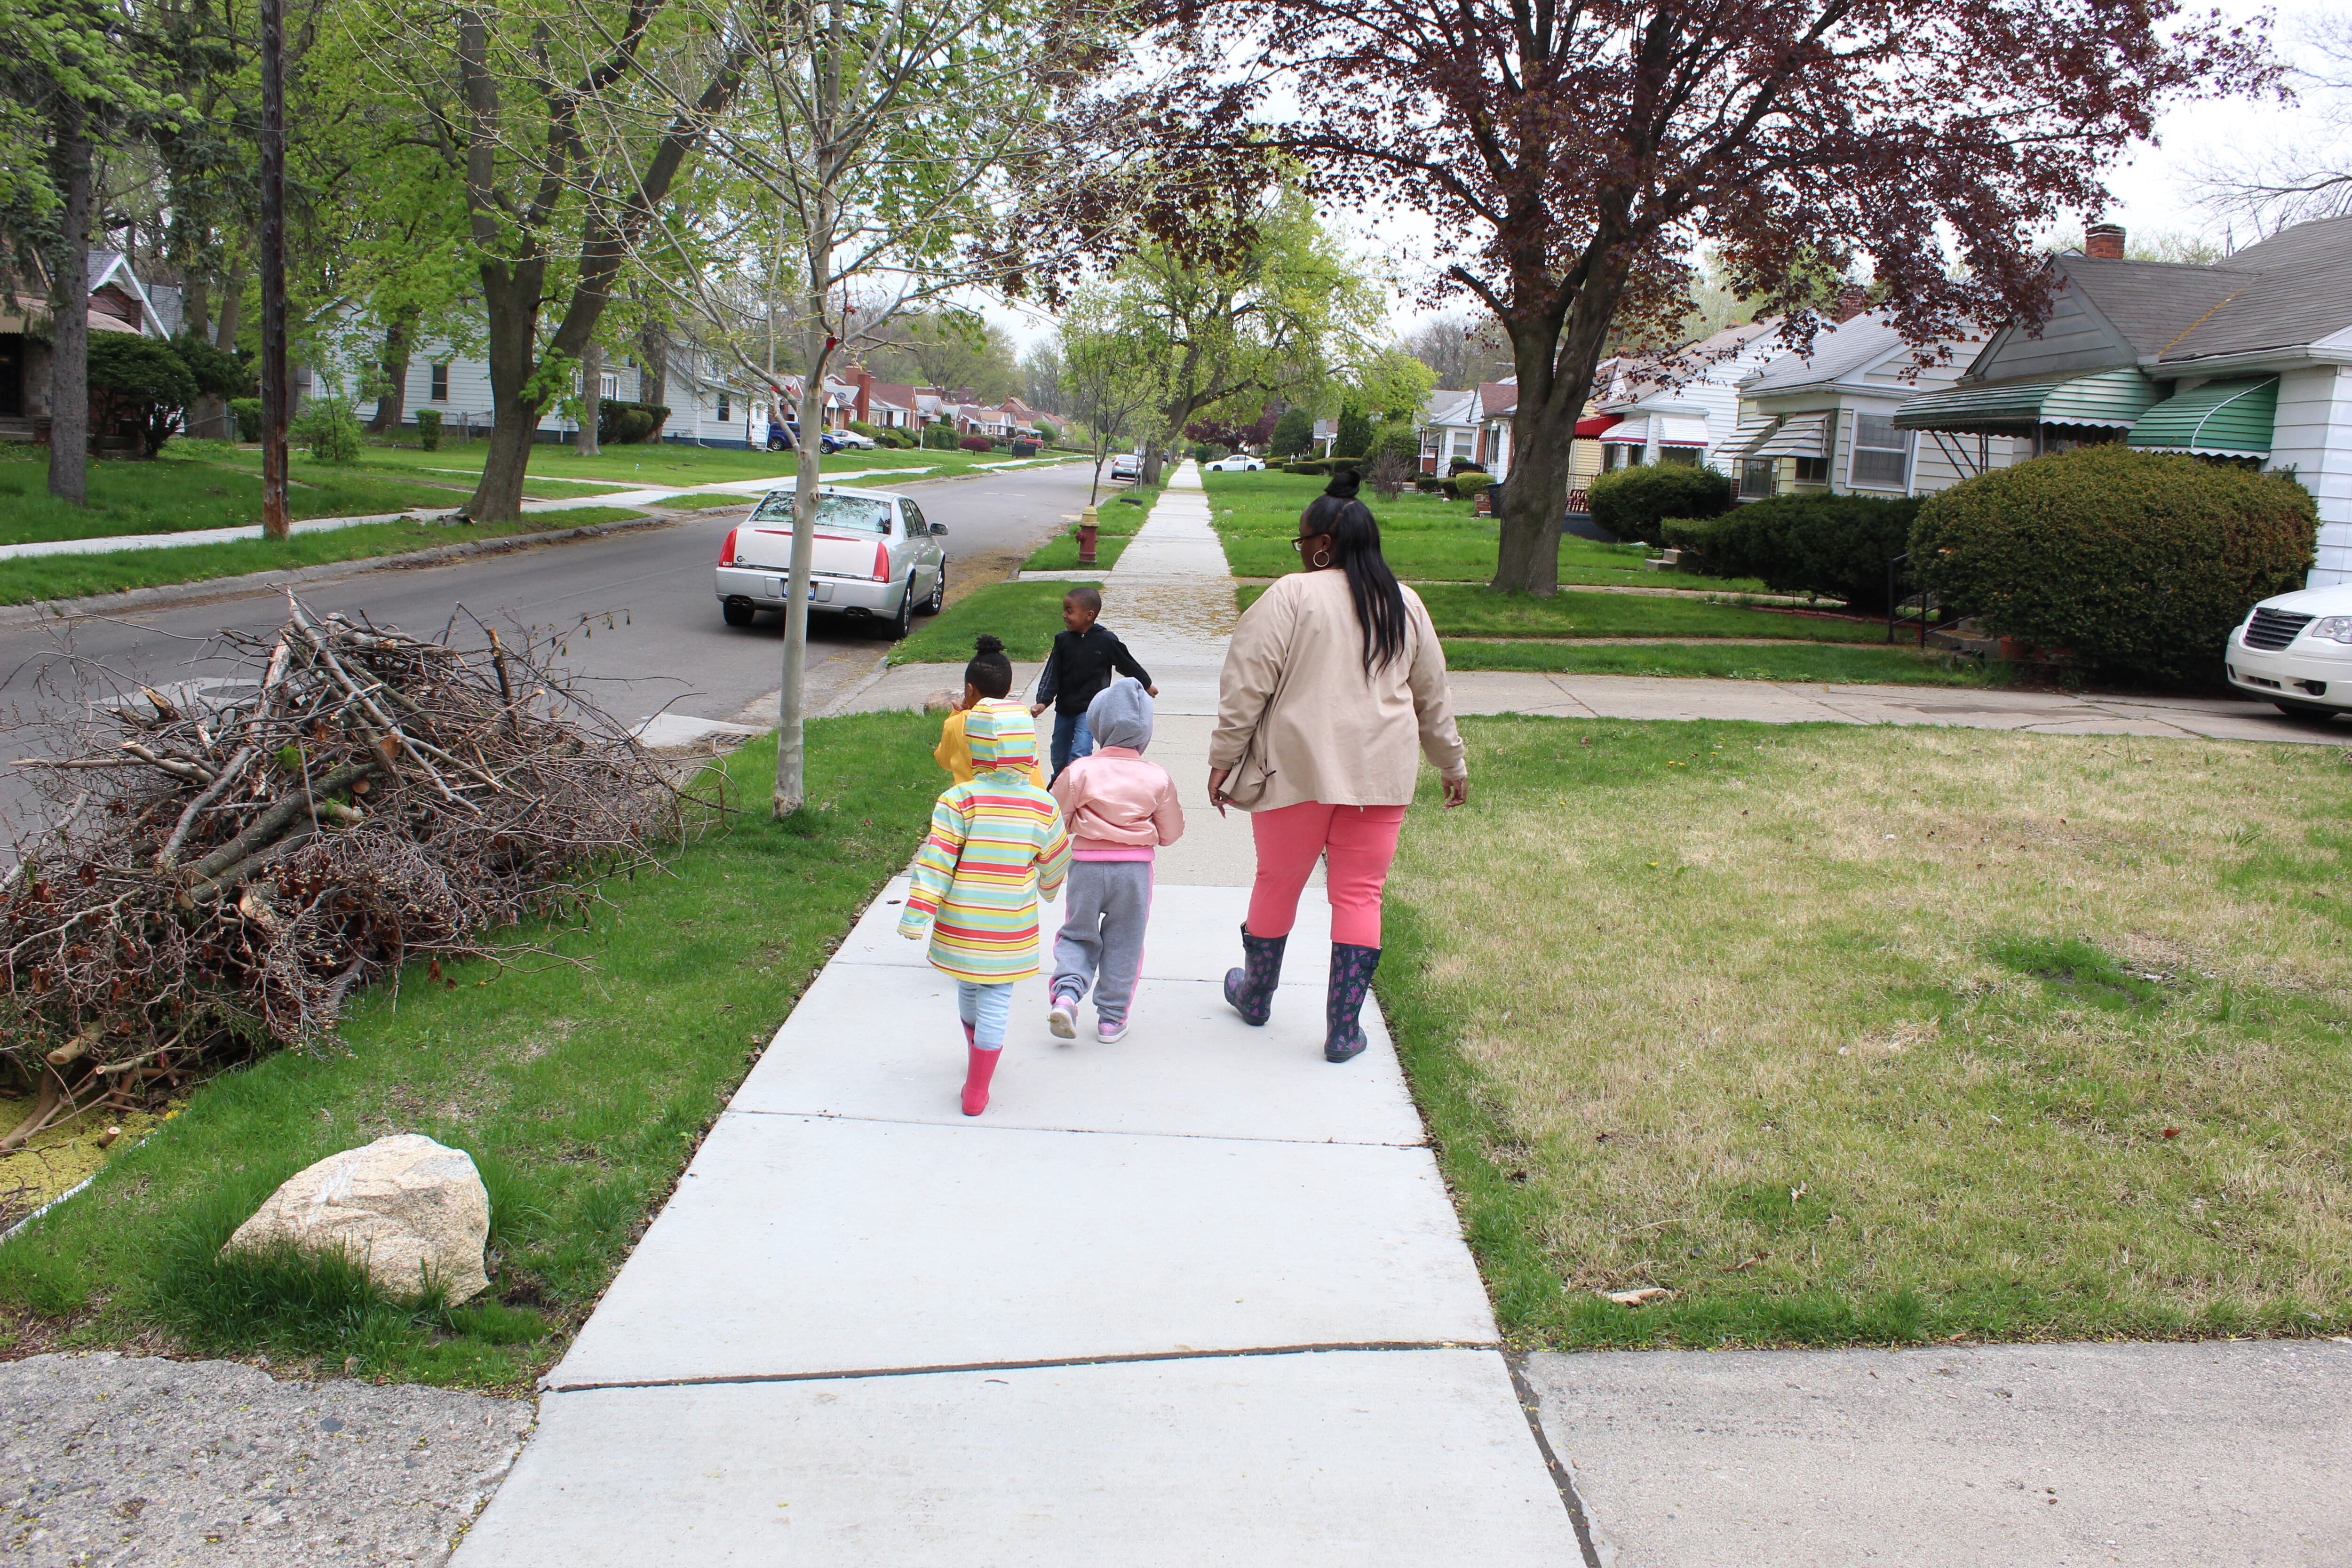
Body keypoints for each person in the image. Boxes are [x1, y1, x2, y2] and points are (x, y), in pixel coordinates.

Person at [1207, 470, 1468, 1064]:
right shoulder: (1405, 604)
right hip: (1381, 776)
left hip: (1295, 772)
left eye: (1301, 542)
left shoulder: (1290, 596)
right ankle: (1343, 1030)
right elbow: (1433, 698)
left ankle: (1255, 994)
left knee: (1277, 882)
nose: (1299, 552)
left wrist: (1223, 761)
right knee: (1360, 895)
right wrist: (1451, 764)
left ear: (1321, 544)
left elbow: (1245, 687)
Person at [898, 700, 1071, 1116]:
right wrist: (1048, 887)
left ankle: (976, 1062)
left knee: (969, 986)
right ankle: (979, 1085)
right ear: (1029, 750)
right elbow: (1057, 857)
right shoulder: (1042, 806)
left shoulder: (959, 800)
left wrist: (917, 914)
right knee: (996, 997)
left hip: (963, 923)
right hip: (1009, 926)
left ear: (977, 751)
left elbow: (936, 861)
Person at [1046, 677, 1184, 1043]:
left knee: (1078, 933)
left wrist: (1080, 824)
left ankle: (1067, 996)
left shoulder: (1079, 771)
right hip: (1134, 874)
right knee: (1126, 941)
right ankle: (1111, 1019)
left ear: (1098, 725)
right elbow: (1171, 832)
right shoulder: (1157, 777)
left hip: (1087, 868)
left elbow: (1054, 820)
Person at [1032, 586, 1157, 780]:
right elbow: (1052, 673)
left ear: (1089, 615)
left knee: (1081, 751)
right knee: (1058, 753)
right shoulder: (1063, 641)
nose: (1064, 615)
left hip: (1090, 710)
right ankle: (1059, 781)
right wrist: (1043, 701)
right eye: (1064, 610)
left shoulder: (1106, 641)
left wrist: (1146, 684)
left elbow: (1127, 663)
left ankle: (1078, 786)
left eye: (1069, 611)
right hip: (1065, 709)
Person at [934, 634, 1044, 788]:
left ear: (970, 689)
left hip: (974, 805)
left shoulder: (959, 721)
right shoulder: (1021, 719)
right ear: (1009, 690)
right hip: (1026, 803)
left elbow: (944, 760)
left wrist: (957, 713)